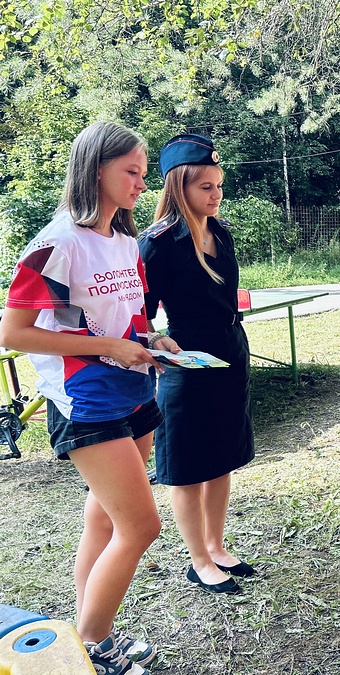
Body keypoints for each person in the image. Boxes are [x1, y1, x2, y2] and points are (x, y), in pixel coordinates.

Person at [0, 121, 162, 674]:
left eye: (144, 173)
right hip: (84, 398)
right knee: (142, 527)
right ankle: (94, 646)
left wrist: (152, 340)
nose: (143, 184)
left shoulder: (125, 241)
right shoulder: (55, 244)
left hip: (135, 389)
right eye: (132, 172)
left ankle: (90, 630)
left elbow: (131, 317)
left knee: (107, 521)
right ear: (97, 170)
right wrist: (109, 345)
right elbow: (13, 332)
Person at [138, 134, 255, 595]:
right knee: (187, 464)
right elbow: (137, 314)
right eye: (205, 186)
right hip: (185, 361)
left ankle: (217, 545)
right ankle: (198, 560)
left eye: (219, 185)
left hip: (229, 350)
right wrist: (154, 339)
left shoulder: (219, 231)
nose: (216, 194)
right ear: (179, 186)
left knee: (221, 456)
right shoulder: (158, 243)